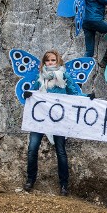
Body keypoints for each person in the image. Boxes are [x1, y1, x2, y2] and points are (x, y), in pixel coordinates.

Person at [22, 49, 86, 196]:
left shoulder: (64, 76)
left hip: (58, 120)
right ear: (44, 62)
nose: (50, 63)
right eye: (47, 60)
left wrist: (88, 97)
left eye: (53, 60)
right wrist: (29, 94)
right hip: (40, 118)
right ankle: (30, 180)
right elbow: (36, 93)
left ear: (58, 61)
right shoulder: (40, 77)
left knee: (61, 151)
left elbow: (74, 93)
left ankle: (64, 185)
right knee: (32, 148)